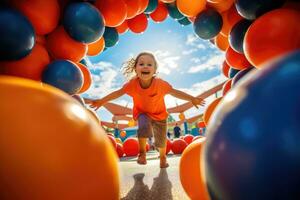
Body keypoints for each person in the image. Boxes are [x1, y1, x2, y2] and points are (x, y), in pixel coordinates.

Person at [85, 52, 205, 168]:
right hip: (143, 113)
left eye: (149, 64)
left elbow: (175, 92)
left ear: (154, 70)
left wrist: (192, 99)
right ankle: (142, 153)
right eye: (141, 64)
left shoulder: (160, 84)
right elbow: (117, 93)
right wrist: (102, 101)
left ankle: (163, 158)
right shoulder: (132, 84)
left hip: (160, 115)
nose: (145, 66)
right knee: (143, 125)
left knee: (161, 140)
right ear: (136, 69)